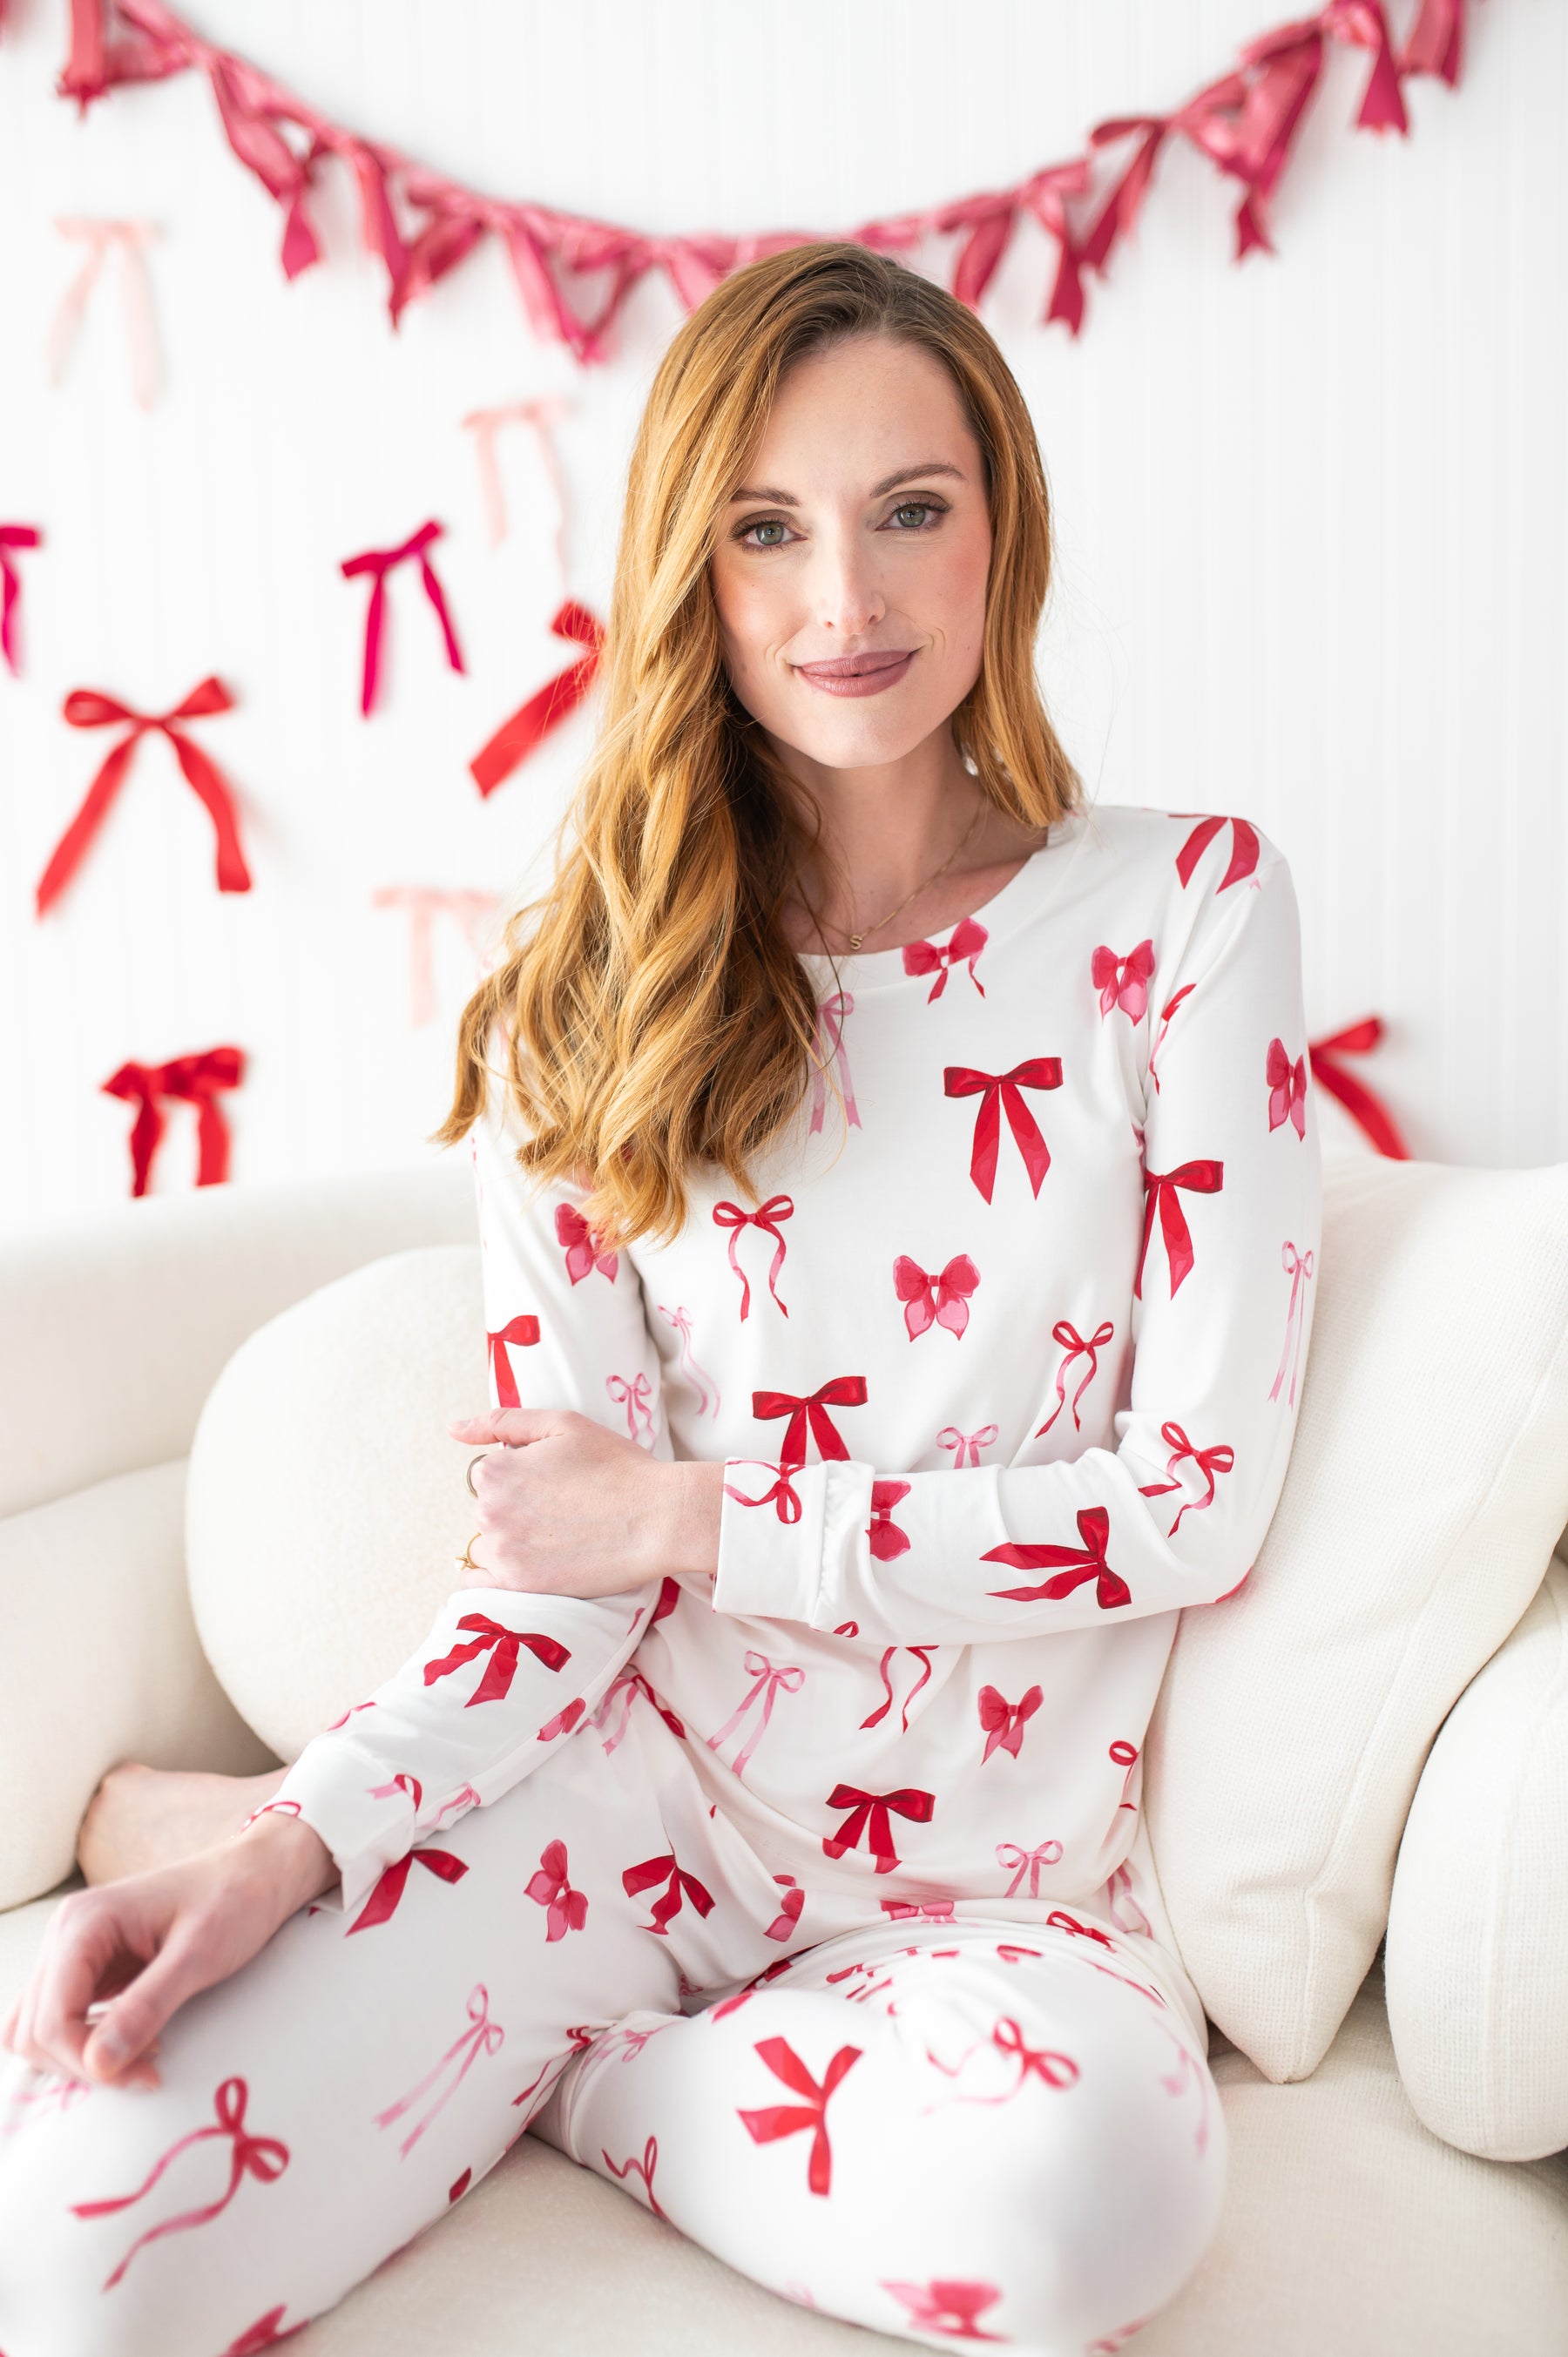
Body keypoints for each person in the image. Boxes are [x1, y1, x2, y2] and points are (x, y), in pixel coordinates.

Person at [0, 240, 1321, 2356]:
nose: (846, 602)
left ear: (1005, 529)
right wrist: (295, 1849)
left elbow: (1190, 1501)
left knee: (1087, 2219)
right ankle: (490, 1990)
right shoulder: (587, 1001)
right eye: (766, 531)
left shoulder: (1183, 915)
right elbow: (561, 1582)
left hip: (995, 1900)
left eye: (913, 510)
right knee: (74, 2249)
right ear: (690, 573)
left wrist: (704, 1515)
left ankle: (576, 2081)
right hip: (608, 1825)